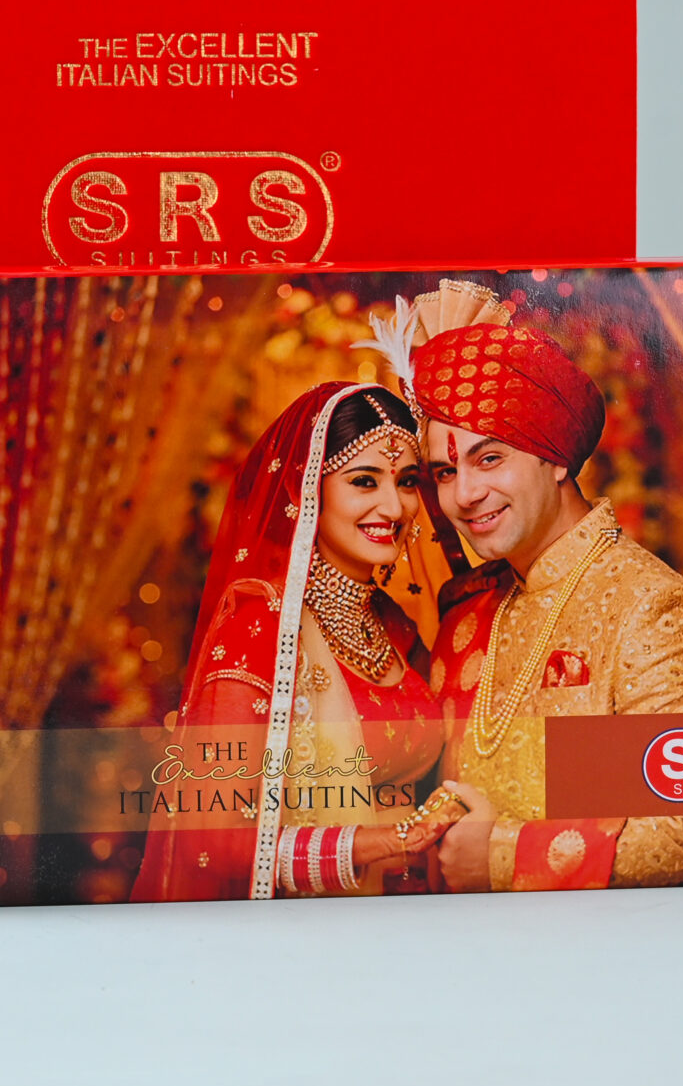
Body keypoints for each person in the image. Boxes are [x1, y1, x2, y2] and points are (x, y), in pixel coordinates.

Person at [374, 282, 683, 893]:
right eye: (445, 471)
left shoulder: (649, 606)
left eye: (490, 459)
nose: (465, 495)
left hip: (596, 944)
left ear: (556, 456)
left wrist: (499, 856)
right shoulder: (466, 605)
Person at [131, 382, 450, 902]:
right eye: (364, 481)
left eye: (407, 481)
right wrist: (372, 845)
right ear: (308, 489)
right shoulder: (259, 628)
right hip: (313, 933)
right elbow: (210, 841)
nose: (394, 507)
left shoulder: (394, 627)